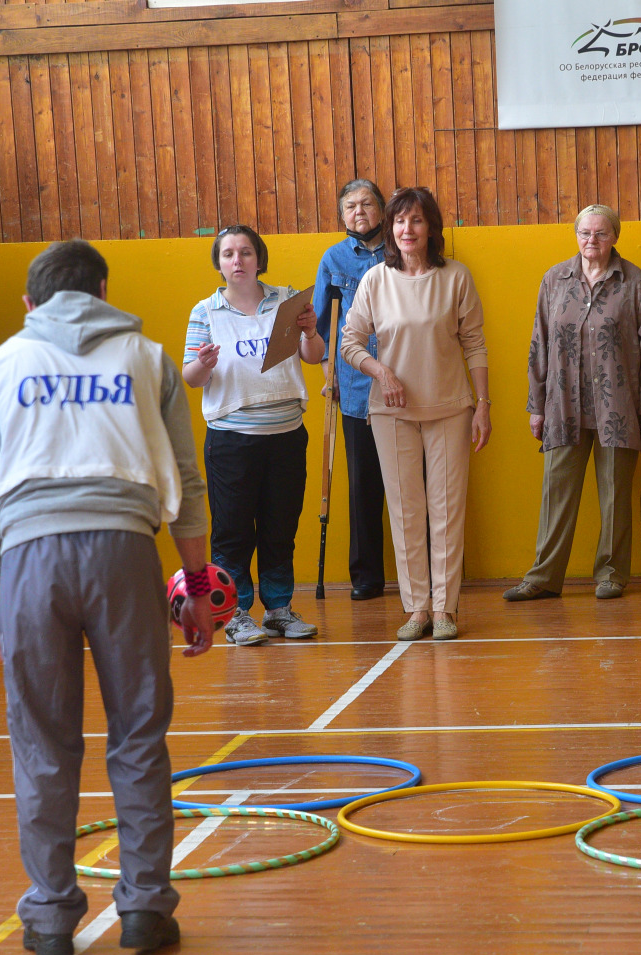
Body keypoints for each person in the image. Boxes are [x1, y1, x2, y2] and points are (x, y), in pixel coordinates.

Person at [0, 239, 211, 955]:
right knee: (137, 733)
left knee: (42, 739)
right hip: (123, 552)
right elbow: (186, 487)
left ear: (28, 302)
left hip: (28, 560)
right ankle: (142, 909)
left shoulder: (0, 365)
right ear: (103, 289)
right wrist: (194, 588)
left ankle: (48, 918)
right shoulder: (148, 356)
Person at [341, 186, 490, 642]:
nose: (408, 229)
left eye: (417, 221)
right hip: (391, 412)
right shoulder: (374, 282)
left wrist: (483, 404)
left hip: (449, 407)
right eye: (400, 221)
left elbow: (476, 345)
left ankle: (445, 608)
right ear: (391, 228)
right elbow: (348, 343)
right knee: (405, 512)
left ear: (431, 229)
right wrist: (379, 370)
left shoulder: (456, 277)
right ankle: (417, 608)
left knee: (446, 511)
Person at [504, 204, 641, 603]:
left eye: (601, 233)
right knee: (556, 491)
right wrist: (536, 405)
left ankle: (611, 574)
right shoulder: (555, 280)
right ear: (576, 236)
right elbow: (538, 344)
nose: (592, 240)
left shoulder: (634, 281)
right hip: (562, 403)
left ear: (615, 237)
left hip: (619, 406)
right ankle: (543, 577)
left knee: (614, 494)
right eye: (585, 233)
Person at [183, 225, 326, 645]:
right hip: (231, 440)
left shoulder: (287, 300)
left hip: (285, 434)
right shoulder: (205, 312)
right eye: (228, 254)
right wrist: (204, 364)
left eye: (245, 252)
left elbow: (314, 356)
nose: (238, 260)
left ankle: (279, 609)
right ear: (220, 264)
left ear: (259, 259)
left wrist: (310, 331)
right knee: (233, 530)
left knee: (280, 526)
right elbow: (191, 378)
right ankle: (236, 612)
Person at [314, 179, 389, 601]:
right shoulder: (334, 258)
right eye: (349, 207)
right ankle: (366, 576)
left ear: (381, 209)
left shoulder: (400, 251)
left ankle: (428, 570)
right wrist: (331, 376)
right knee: (362, 485)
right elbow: (324, 326)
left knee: (412, 482)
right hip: (355, 386)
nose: (358, 212)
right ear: (342, 216)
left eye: (366, 204)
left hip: (404, 381)